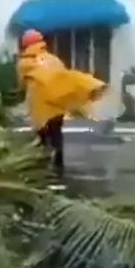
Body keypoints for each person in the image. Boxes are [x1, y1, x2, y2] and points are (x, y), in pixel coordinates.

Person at [17, 29, 108, 177]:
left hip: (40, 106)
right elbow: (64, 78)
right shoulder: (54, 59)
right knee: (56, 133)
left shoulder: (24, 63)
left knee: (43, 135)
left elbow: (21, 84)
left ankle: (43, 164)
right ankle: (58, 164)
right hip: (57, 104)